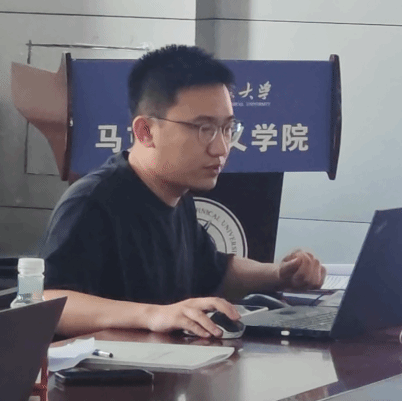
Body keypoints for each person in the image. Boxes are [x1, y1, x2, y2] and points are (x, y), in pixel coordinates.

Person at [40, 45, 326, 339]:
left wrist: (279, 274)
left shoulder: (178, 198)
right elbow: (49, 300)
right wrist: (153, 315)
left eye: (228, 129)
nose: (221, 148)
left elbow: (215, 273)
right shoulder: (91, 202)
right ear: (145, 132)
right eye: (203, 128)